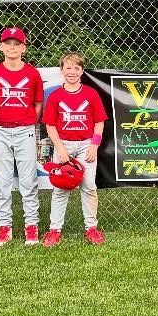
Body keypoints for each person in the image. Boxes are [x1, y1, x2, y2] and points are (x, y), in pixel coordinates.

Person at [0, 26, 44, 246]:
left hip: (25, 130)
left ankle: (31, 226)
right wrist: (0, 118)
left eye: (17, 44)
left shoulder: (31, 73)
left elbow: (38, 103)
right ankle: (5, 227)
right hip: (0, 129)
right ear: (1, 47)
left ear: (23, 48)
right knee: (3, 180)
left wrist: (26, 121)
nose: (12, 48)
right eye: (8, 44)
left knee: (29, 180)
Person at [41, 52, 107, 246]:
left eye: (76, 68)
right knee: (61, 188)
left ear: (82, 71)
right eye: (68, 68)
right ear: (61, 70)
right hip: (64, 145)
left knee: (88, 186)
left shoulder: (90, 94)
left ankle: (91, 228)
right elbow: (50, 125)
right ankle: (54, 230)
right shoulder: (55, 96)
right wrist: (60, 148)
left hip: (86, 144)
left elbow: (99, 122)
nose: (72, 72)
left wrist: (94, 144)